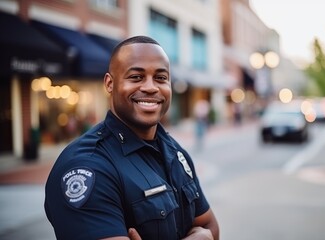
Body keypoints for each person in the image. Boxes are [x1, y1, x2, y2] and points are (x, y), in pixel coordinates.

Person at [44, 35, 219, 240]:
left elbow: (210, 226)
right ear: (110, 83)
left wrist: (207, 235)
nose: (151, 87)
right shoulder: (87, 166)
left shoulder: (176, 152)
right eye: (136, 77)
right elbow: (206, 234)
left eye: (161, 78)